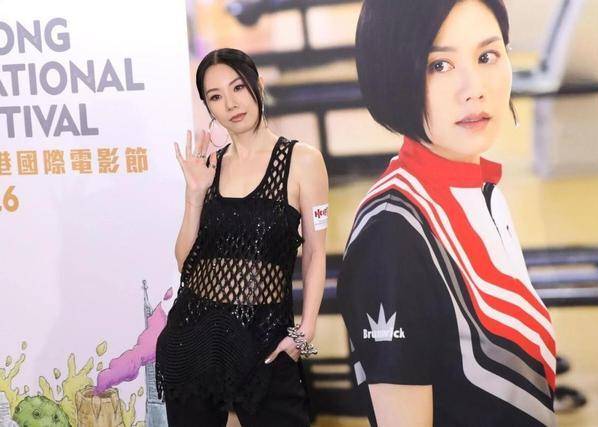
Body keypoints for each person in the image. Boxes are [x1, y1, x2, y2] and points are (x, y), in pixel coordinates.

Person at [337, 1, 557, 426]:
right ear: (393, 74)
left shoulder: (481, 188)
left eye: (487, 56)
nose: (474, 88)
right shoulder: (392, 237)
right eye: (439, 65)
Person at [156, 48, 328, 427]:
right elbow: (186, 263)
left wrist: (305, 332)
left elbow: (316, 252)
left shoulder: (302, 160)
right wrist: (195, 194)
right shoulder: (210, 167)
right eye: (216, 96)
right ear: (208, 108)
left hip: (265, 342)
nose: (231, 104)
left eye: (238, 87)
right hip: (195, 341)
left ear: (258, 85)